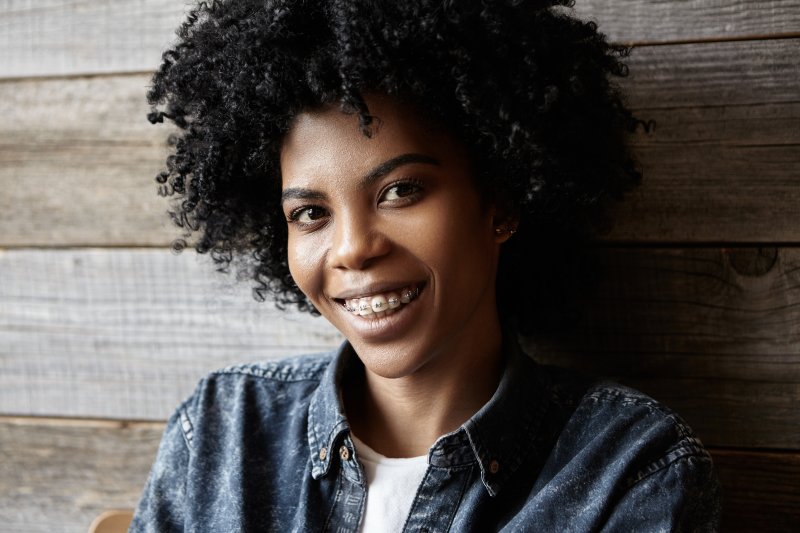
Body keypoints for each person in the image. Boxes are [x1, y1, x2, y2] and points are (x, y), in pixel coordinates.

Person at [131, 0, 721, 531]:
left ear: (502, 199)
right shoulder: (220, 431)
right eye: (310, 212)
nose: (352, 248)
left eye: (401, 190)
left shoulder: (629, 471)